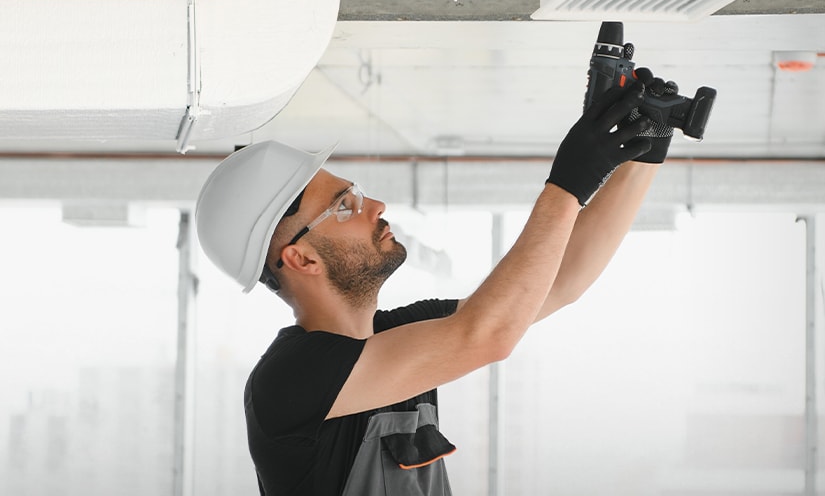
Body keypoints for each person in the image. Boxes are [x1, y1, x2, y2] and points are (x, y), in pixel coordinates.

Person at [192, 70, 677, 495]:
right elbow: (488, 335)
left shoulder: (402, 333)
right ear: (301, 258)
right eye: (344, 205)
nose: (374, 206)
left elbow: (558, 281)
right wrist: (567, 184)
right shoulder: (290, 377)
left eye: (356, 193)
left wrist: (645, 145)